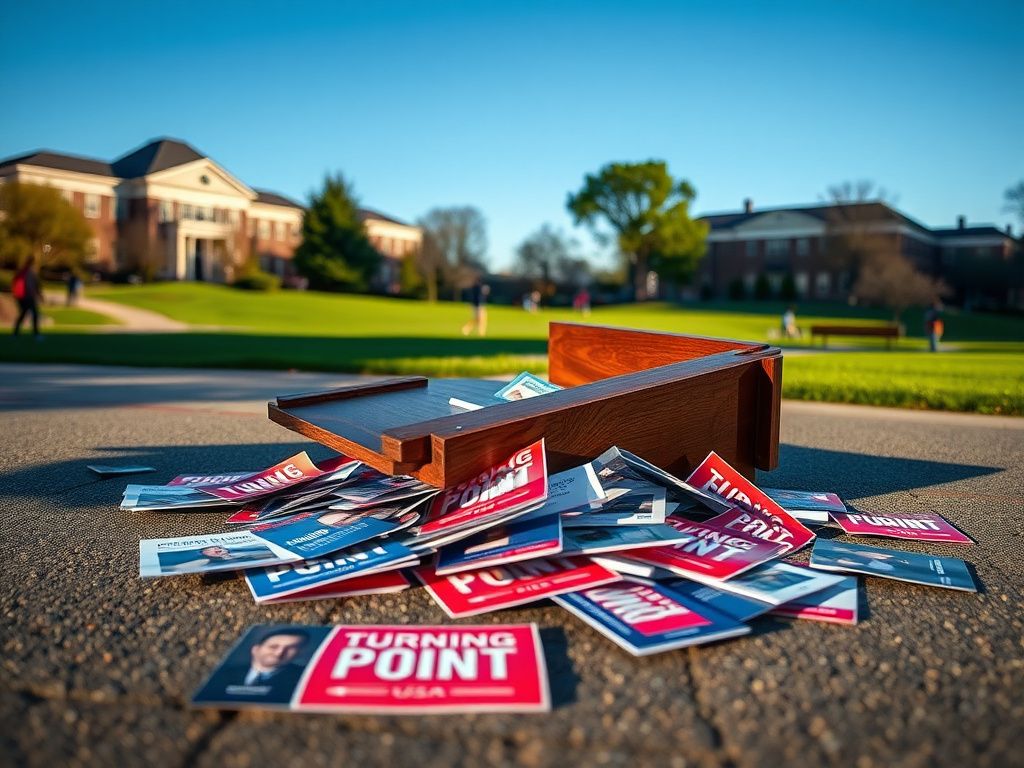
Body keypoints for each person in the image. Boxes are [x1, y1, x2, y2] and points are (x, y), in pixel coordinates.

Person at [196, 628, 310, 704]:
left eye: (291, 648)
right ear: (255, 649)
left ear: (299, 654)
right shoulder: (223, 674)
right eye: (273, 646)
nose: (279, 653)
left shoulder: (304, 678)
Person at [11, 255, 43, 338]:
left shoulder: (22, 271)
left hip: (21, 297)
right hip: (28, 297)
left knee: (23, 313)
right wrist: (39, 295)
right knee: (34, 314)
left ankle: (15, 332)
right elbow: (35, 285)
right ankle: (36, 334)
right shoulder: (30, 272)